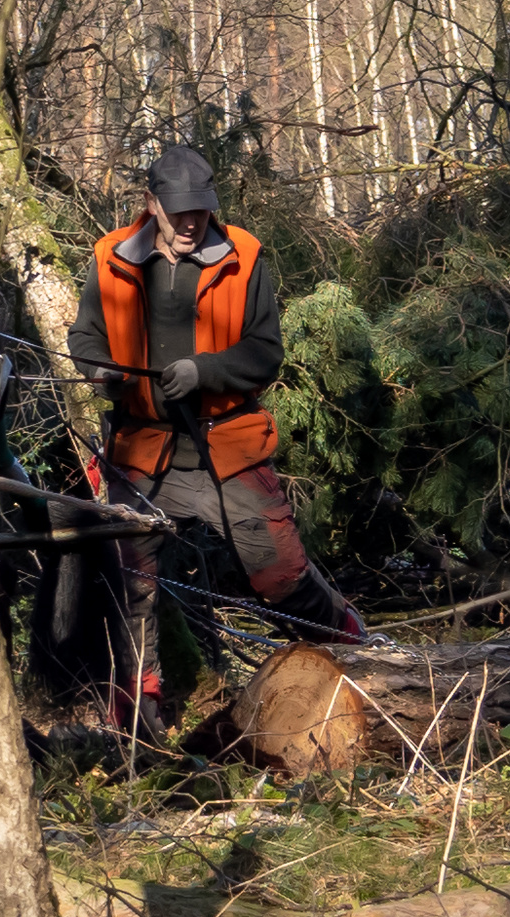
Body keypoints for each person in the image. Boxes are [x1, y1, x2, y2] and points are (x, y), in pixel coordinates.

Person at [66, 145, 365, 731]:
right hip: (139, 453)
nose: (189, 223)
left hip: (228, 447)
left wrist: (205, 372)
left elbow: (264, 353)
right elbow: (84, 337)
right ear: (151, 204)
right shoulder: (109, 258)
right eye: (178, 212)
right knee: (134, 587)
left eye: (199, 212)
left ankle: (357, 658)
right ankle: (139, 720)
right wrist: (102, 371)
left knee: (279, 575)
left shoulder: (244, 255)